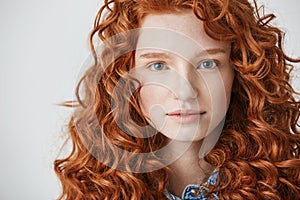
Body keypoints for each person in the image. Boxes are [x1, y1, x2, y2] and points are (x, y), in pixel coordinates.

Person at [54, 0, 300, 199]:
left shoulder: (287, 184)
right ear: (126, 77)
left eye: (208, 63)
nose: (185, 91)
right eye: (158, 65)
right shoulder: (94, 190)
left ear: (240, 72)